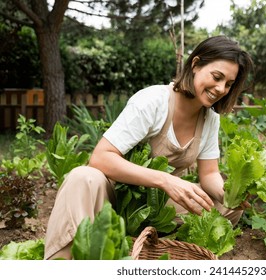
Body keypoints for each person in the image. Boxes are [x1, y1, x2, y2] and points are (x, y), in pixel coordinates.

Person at [44, 35, 254, 260]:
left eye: (229, 84)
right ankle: (66, 261)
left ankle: (160, 249)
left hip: (157, 207)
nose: (221, 88)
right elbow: (101, 158)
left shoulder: (210, 118)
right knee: (83, 177)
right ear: (195, 64)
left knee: (228, 208)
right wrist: (165, 180)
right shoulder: (153, 101)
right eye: (217, 77)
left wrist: (230, 194)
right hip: (114, 200)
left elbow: (210, 173)